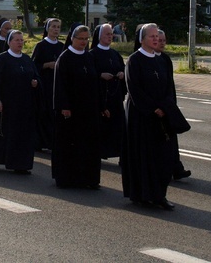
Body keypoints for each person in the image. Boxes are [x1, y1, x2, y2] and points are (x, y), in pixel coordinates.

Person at [122, 23, 180, 210]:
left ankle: (159, 194)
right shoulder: (135, 60)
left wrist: (165, 107)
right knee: (143, 156)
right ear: (142, 39)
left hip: (161, 115)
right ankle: (142, 194)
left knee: (163, 156)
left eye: (157, 36)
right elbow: (134, 89)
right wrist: (153, 108)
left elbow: (169, 88)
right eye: (151, 36)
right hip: (142, 116)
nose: (156, 39)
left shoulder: (163, 60)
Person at [0, 30, 39, 173]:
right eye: (16, 40)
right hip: (6, 104)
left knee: (21, 136)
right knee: (3, 134)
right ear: (9, 42)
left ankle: (20, 164)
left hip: (23, 105)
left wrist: (36, 82)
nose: (20, 43)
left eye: (21, 40)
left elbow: (35, 75)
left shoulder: (26, 59)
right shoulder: (1, 59)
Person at [52, 24, 102, 189]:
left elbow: (95, 83)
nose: (83, 42)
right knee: (70, 144)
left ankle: (88, 178)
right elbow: (60, 85)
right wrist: (64, 106)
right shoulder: (65, 58)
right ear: (72, 38)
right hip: (71, 110)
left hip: (89, 110)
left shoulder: (89, 57)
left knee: (89, 144)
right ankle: (67, 178)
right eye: (80, 39)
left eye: (86, 39)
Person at [155, 29, 191, 181]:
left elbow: (170, 84)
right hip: (155, 108)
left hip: (168, 105)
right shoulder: (141, 59)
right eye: (159, 40)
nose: (162, 43)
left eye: (164, 40)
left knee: (171, 140)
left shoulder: (165, 59)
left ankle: (176, 168)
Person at [89, 24, 126, 160]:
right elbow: (88, 75)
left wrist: (122, 74)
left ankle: (120, 153)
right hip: (100, 97)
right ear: (99, 36)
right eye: (107, 34)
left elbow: (123, 68)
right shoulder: (92, 54)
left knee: (118, 127)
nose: (110, 37)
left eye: (111, 34)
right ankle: (99, 153)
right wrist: (100, 75)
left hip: (115, 96)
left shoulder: (115, 54)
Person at [31, 18, 64, 151]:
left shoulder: (62, 46)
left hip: (57, 85)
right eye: (53, 27)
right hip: (44, 84)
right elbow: (33, 65)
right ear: (47, 29)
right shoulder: (41, 45)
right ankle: (40, 142)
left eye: (58, 27)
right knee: (43, 114)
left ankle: (53, 141)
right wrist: (46, 65)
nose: (56, 29)